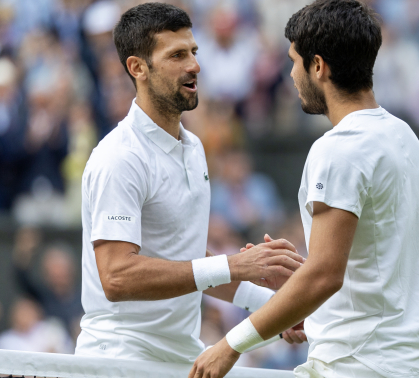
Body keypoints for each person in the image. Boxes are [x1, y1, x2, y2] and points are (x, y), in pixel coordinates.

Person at [190, 1, 419, 377]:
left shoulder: (339, 148)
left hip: (356, 368)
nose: (291, 75)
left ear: (319, 66)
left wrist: (231, 344)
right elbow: (380, 267)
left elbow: (326, 274)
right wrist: (310, 308)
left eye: (294, 61)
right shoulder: (406, 138)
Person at [75, 2, 304, 364]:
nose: (194, 64)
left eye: (194, 51)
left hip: (180, 355)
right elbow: (116, 277)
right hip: (120, 358)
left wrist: (274, 306)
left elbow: (186, 258)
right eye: (177, 55)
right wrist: (234, 265)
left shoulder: (194, 148)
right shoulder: (119, 157)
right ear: (138, 68)